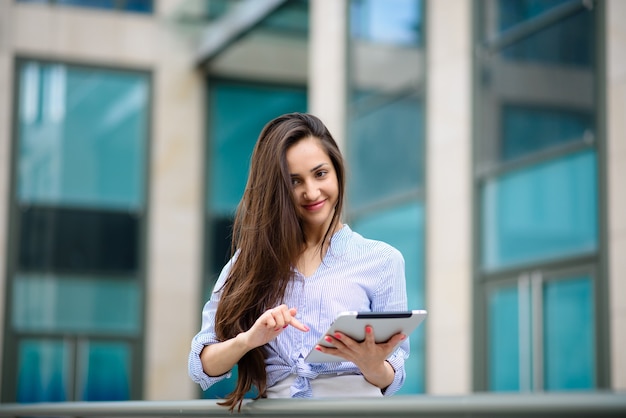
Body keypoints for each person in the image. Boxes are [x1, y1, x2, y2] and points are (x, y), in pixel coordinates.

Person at [188, 112, 409, 411]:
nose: (311, 192)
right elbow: (202, 366)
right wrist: (249, 340)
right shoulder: (249, 263)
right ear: (277, 188)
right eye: (294, 181)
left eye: (320, 174)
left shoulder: (381, 260)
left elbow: (392, 375)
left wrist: (371, 364)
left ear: (337, 172)